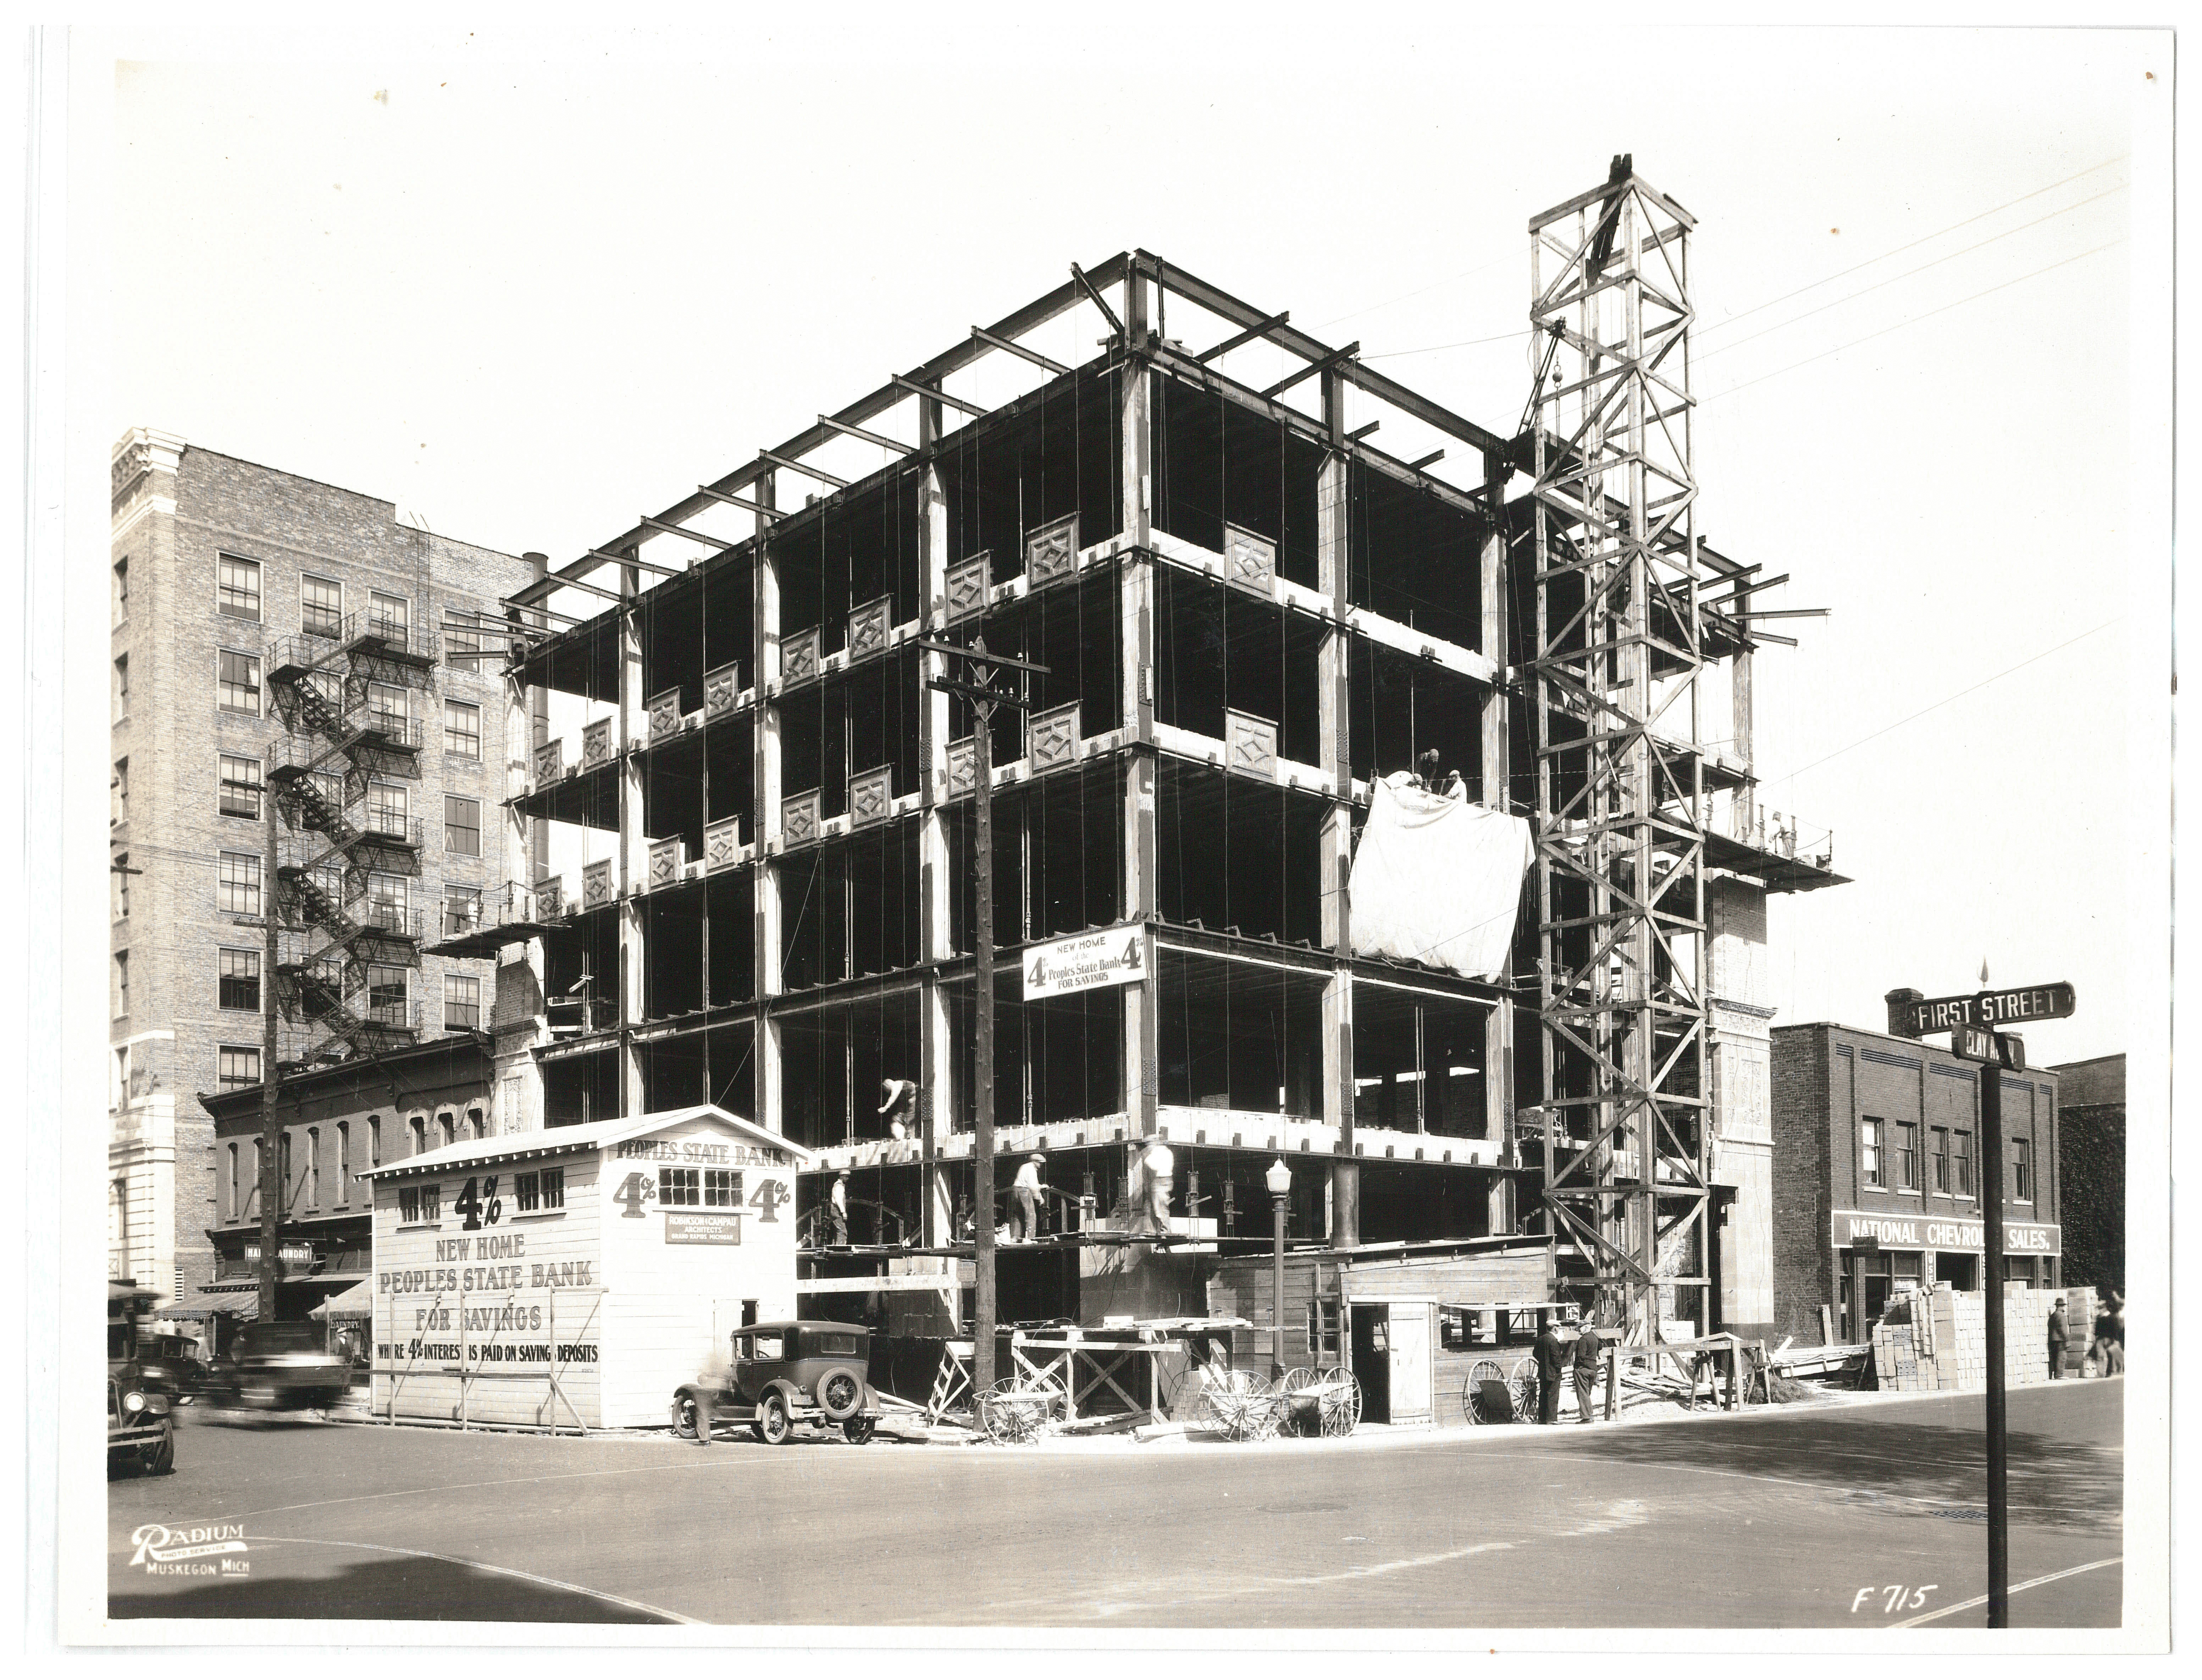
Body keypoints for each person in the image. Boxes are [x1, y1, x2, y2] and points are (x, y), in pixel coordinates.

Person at [1532, 1317, 1568, 1425]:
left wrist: (1543, 1362)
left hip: (1543, 1372)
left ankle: (1542, 1419)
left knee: (1543, 1395)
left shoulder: (1541, 1339)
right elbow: (1556, 1359)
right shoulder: (1554, 1341)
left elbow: (1535, 1354)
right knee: (1553, 1395)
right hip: (1553, 1373)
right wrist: (1559, 1368)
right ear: (1555, 1329)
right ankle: (1552, 1419)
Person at [1572, 1315, 1608, 1422]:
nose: (1578, 1331)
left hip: (1583, 1369)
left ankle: (1587, 1417)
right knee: (1587, 1393)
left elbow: (1581, 1356)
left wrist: (1577, 1367)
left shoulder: (1583, 1339)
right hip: (1593, 1369)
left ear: (1587, 1327)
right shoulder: (1595, 1338)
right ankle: (1588, 1415)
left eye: (1580, 1328)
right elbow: (1601, 1347)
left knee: (1583, 1393)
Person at [1140, 1137, 1175, 1237]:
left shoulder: (1158, 1152)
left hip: (1160, 1180)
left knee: (1159, 1208)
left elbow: (1154, 1166)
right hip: (1165, 1180)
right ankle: (1152, 1229)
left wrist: (1146, 1156)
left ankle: (1165, 1230)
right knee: (1157, 1205)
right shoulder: (1167, 1151)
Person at [1011, 1153, 1045, 1243]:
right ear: (1035, 1162)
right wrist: (1039, 1198)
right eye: (1040, 1163)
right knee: (1030, 1214)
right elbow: (1032, 1186)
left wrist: (1040, 1187)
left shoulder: (1024, 1167)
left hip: (1015, 1190)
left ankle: (1015, 1237)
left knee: (1018, 1215)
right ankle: (1029, 1238)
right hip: (1024, 1191)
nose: (1041, 1165)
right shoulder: (1032, 1169)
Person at [2047, 1297, 2069, 1379]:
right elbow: (2063, 1329)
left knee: (2055, 1357)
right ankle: (2059, 1375)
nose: (2064, 1308)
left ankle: (2056, 1374)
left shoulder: (2054, 1315)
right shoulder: (2061, 1315)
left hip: (2053, 1339)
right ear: (2061, 1306)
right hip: (2060, 1339)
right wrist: (2067, 1339)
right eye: (2063, 1306)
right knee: (2062, 1357)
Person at [826, 1172, 849, 1247]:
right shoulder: (839, 1186)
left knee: (838, 1230)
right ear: (842, 1177)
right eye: (847, 1177)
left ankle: (835, 1246)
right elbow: (839, 1200)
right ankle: (840, 1249)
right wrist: (844, 1212)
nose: (848, 1179)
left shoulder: (838, 1186)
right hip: (837, 1210)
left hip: (835, 1210)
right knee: (842, 1231)